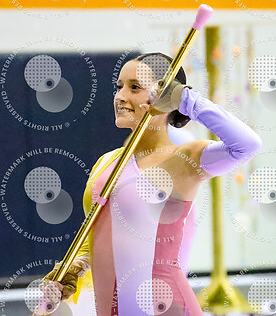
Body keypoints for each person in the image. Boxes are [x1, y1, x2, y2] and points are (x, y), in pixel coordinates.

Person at [37, 52, 263, 315]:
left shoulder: (184, 160)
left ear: (164, 97)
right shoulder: (106, 163)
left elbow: (247, 145)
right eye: (119, 86)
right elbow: (96, 233)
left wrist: (185, 99)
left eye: (135, 87)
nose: (121, 96)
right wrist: (74, 268)